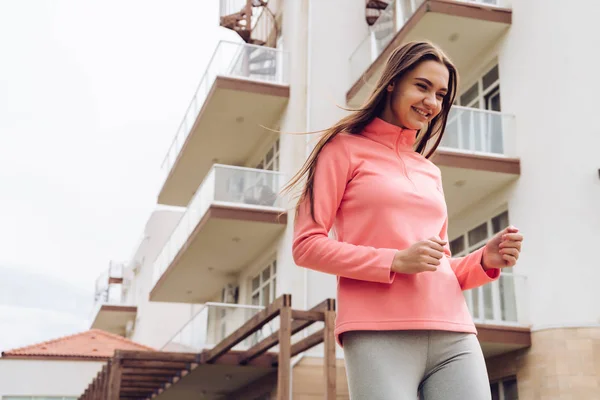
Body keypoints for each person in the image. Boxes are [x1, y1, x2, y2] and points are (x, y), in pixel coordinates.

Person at [286, 41, 524, 399]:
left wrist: (483, 260)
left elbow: (437, 265)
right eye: (422, 86)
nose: (432, 102)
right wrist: (394, 260)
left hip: (454, 332)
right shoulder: (342, 150)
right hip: (378, 332)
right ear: (393, 83)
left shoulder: (428, 170)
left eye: (441, 94)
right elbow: (306, 246)